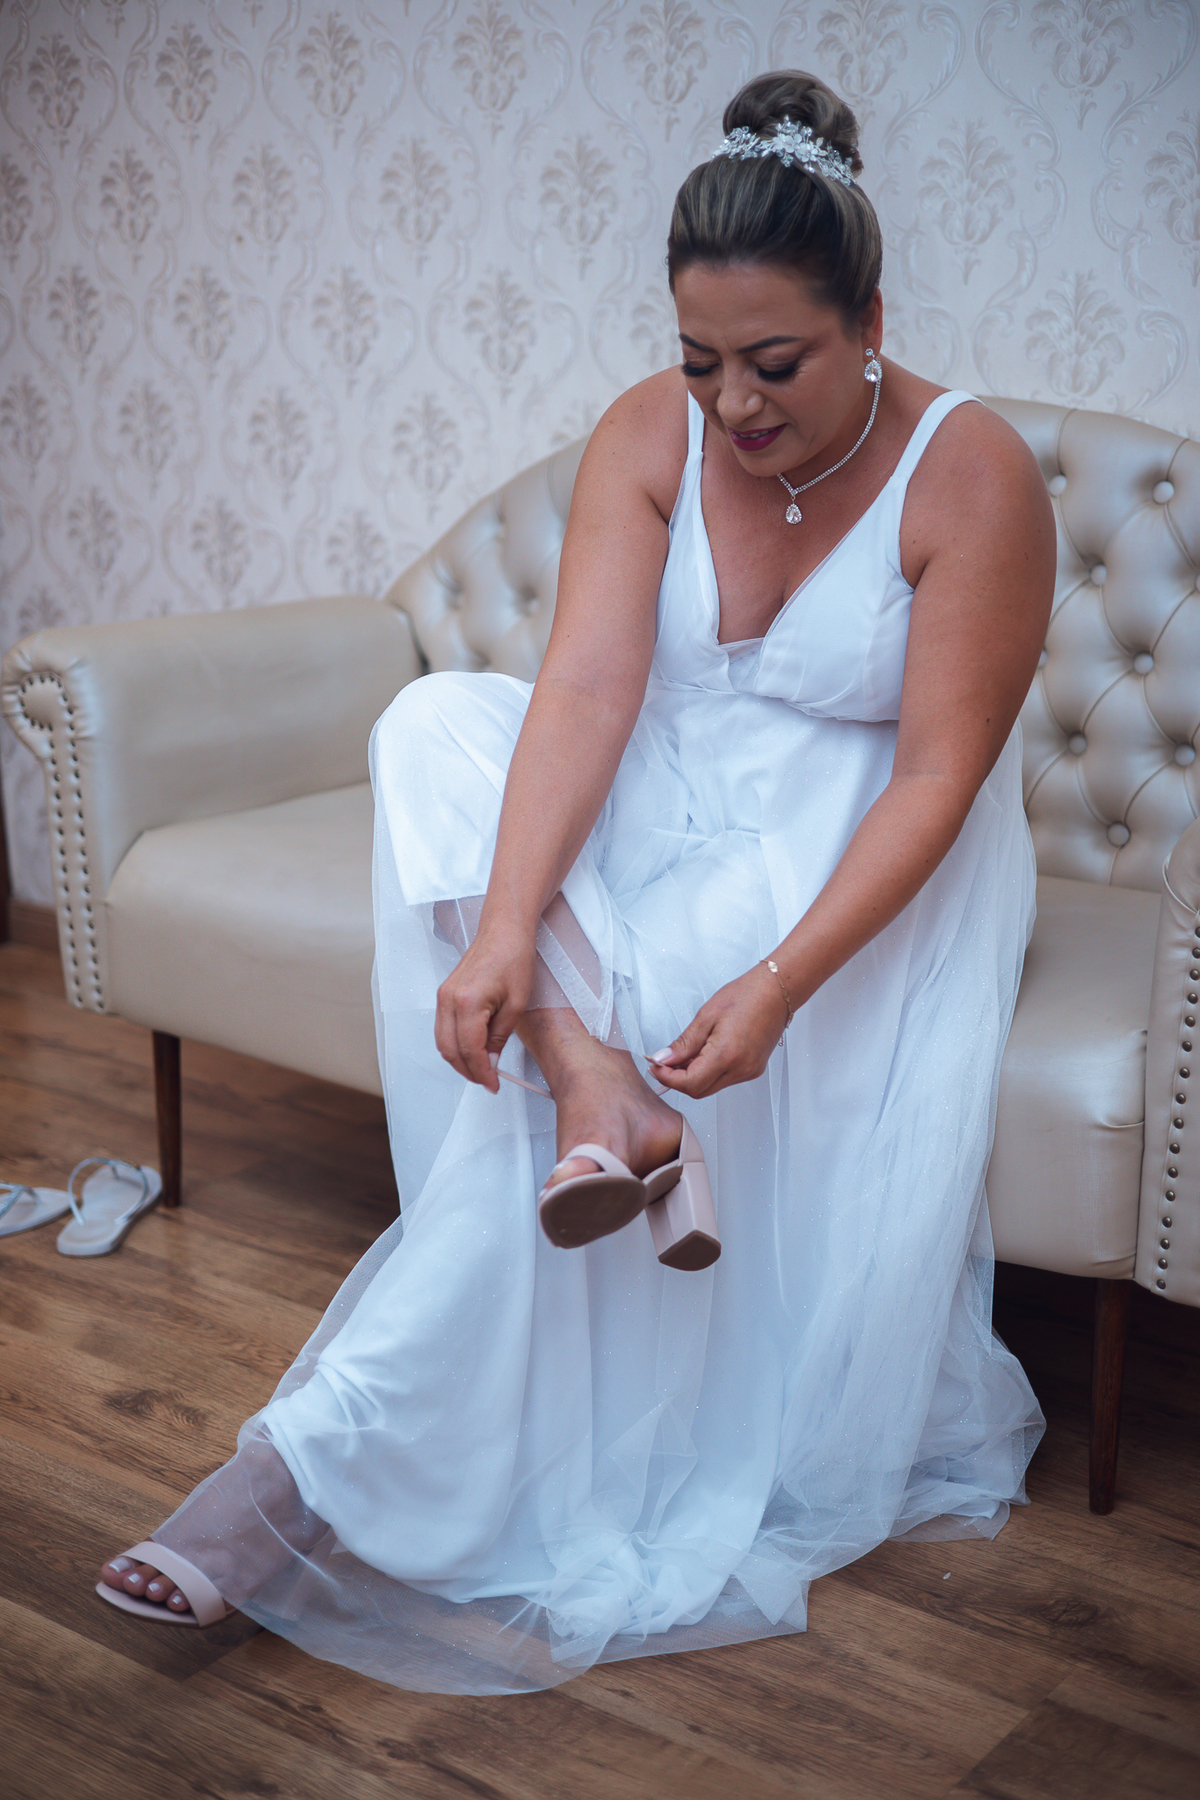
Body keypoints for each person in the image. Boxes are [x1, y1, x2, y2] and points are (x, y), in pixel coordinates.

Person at [97, 70, 1052, 1695]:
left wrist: (777, 986)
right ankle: (589, 1072)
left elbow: (935, 784)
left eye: (775, 364)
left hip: (834, 854)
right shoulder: (648, 432)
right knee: (427, 723)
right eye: (700, 362)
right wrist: (508, 929)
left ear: (871, 323)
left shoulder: (974, 475)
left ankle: (301, 1477)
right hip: (653, 788)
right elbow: (591, 693)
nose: (733, 407)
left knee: (588, 1032)